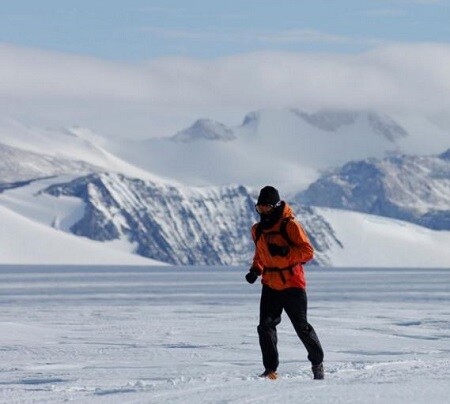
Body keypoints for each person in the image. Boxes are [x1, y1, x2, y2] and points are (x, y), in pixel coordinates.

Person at [245, 185, 324, 380]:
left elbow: (308, 252)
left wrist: (286, 253)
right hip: (270, 284)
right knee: (265, 327)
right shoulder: (258, 230)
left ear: (275, 205)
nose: (262, 211)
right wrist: (256, 270)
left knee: (301, 326)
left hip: (293, 284)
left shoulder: (290, 225)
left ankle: (317, 362)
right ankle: (270, 370)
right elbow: (261, 254)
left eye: (265, 208)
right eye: (259, 208)